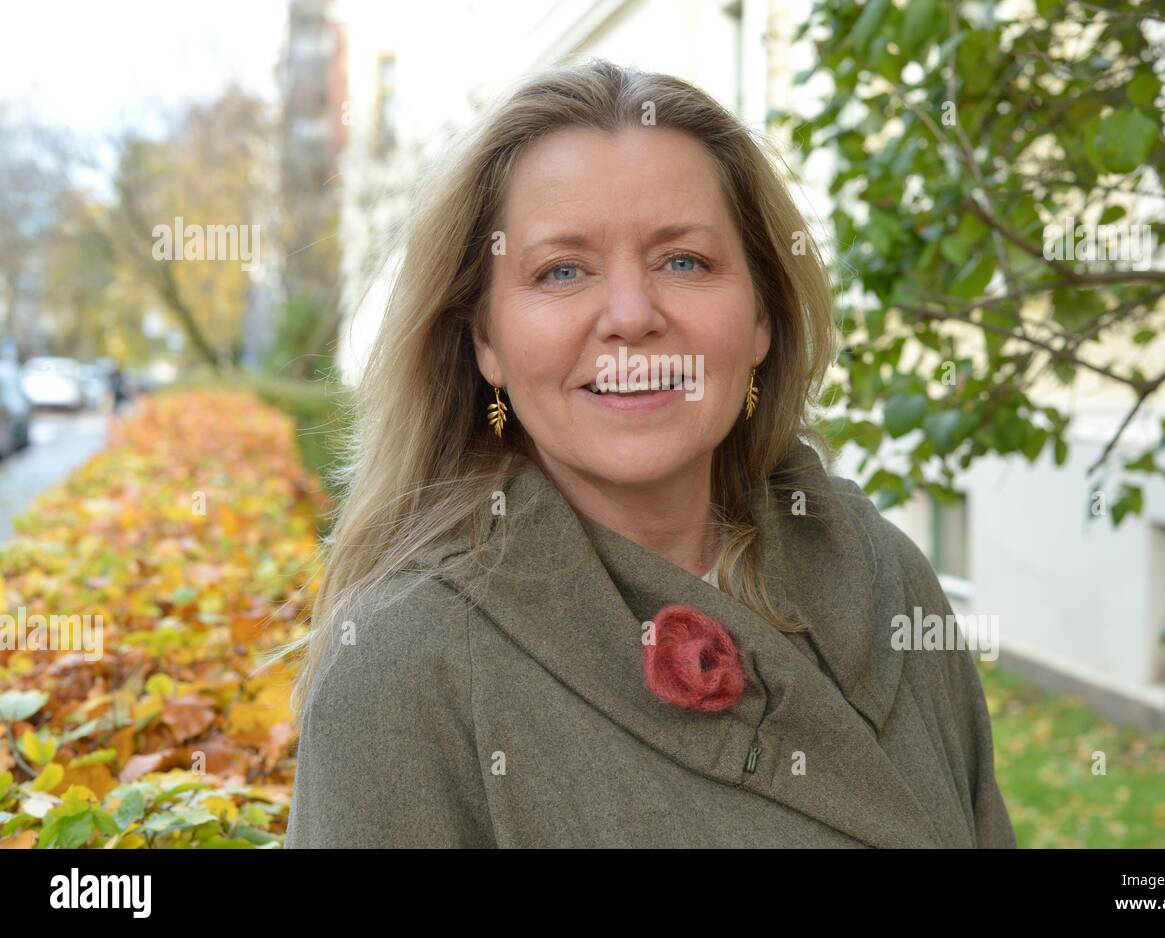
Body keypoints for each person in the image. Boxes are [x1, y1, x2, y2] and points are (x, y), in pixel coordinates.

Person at [283, 59, 1016, 849]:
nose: (631, 316)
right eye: (562, 270)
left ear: (762, 316)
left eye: (685, 262)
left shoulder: (884, 573)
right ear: (486, 338)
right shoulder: (404, 669)